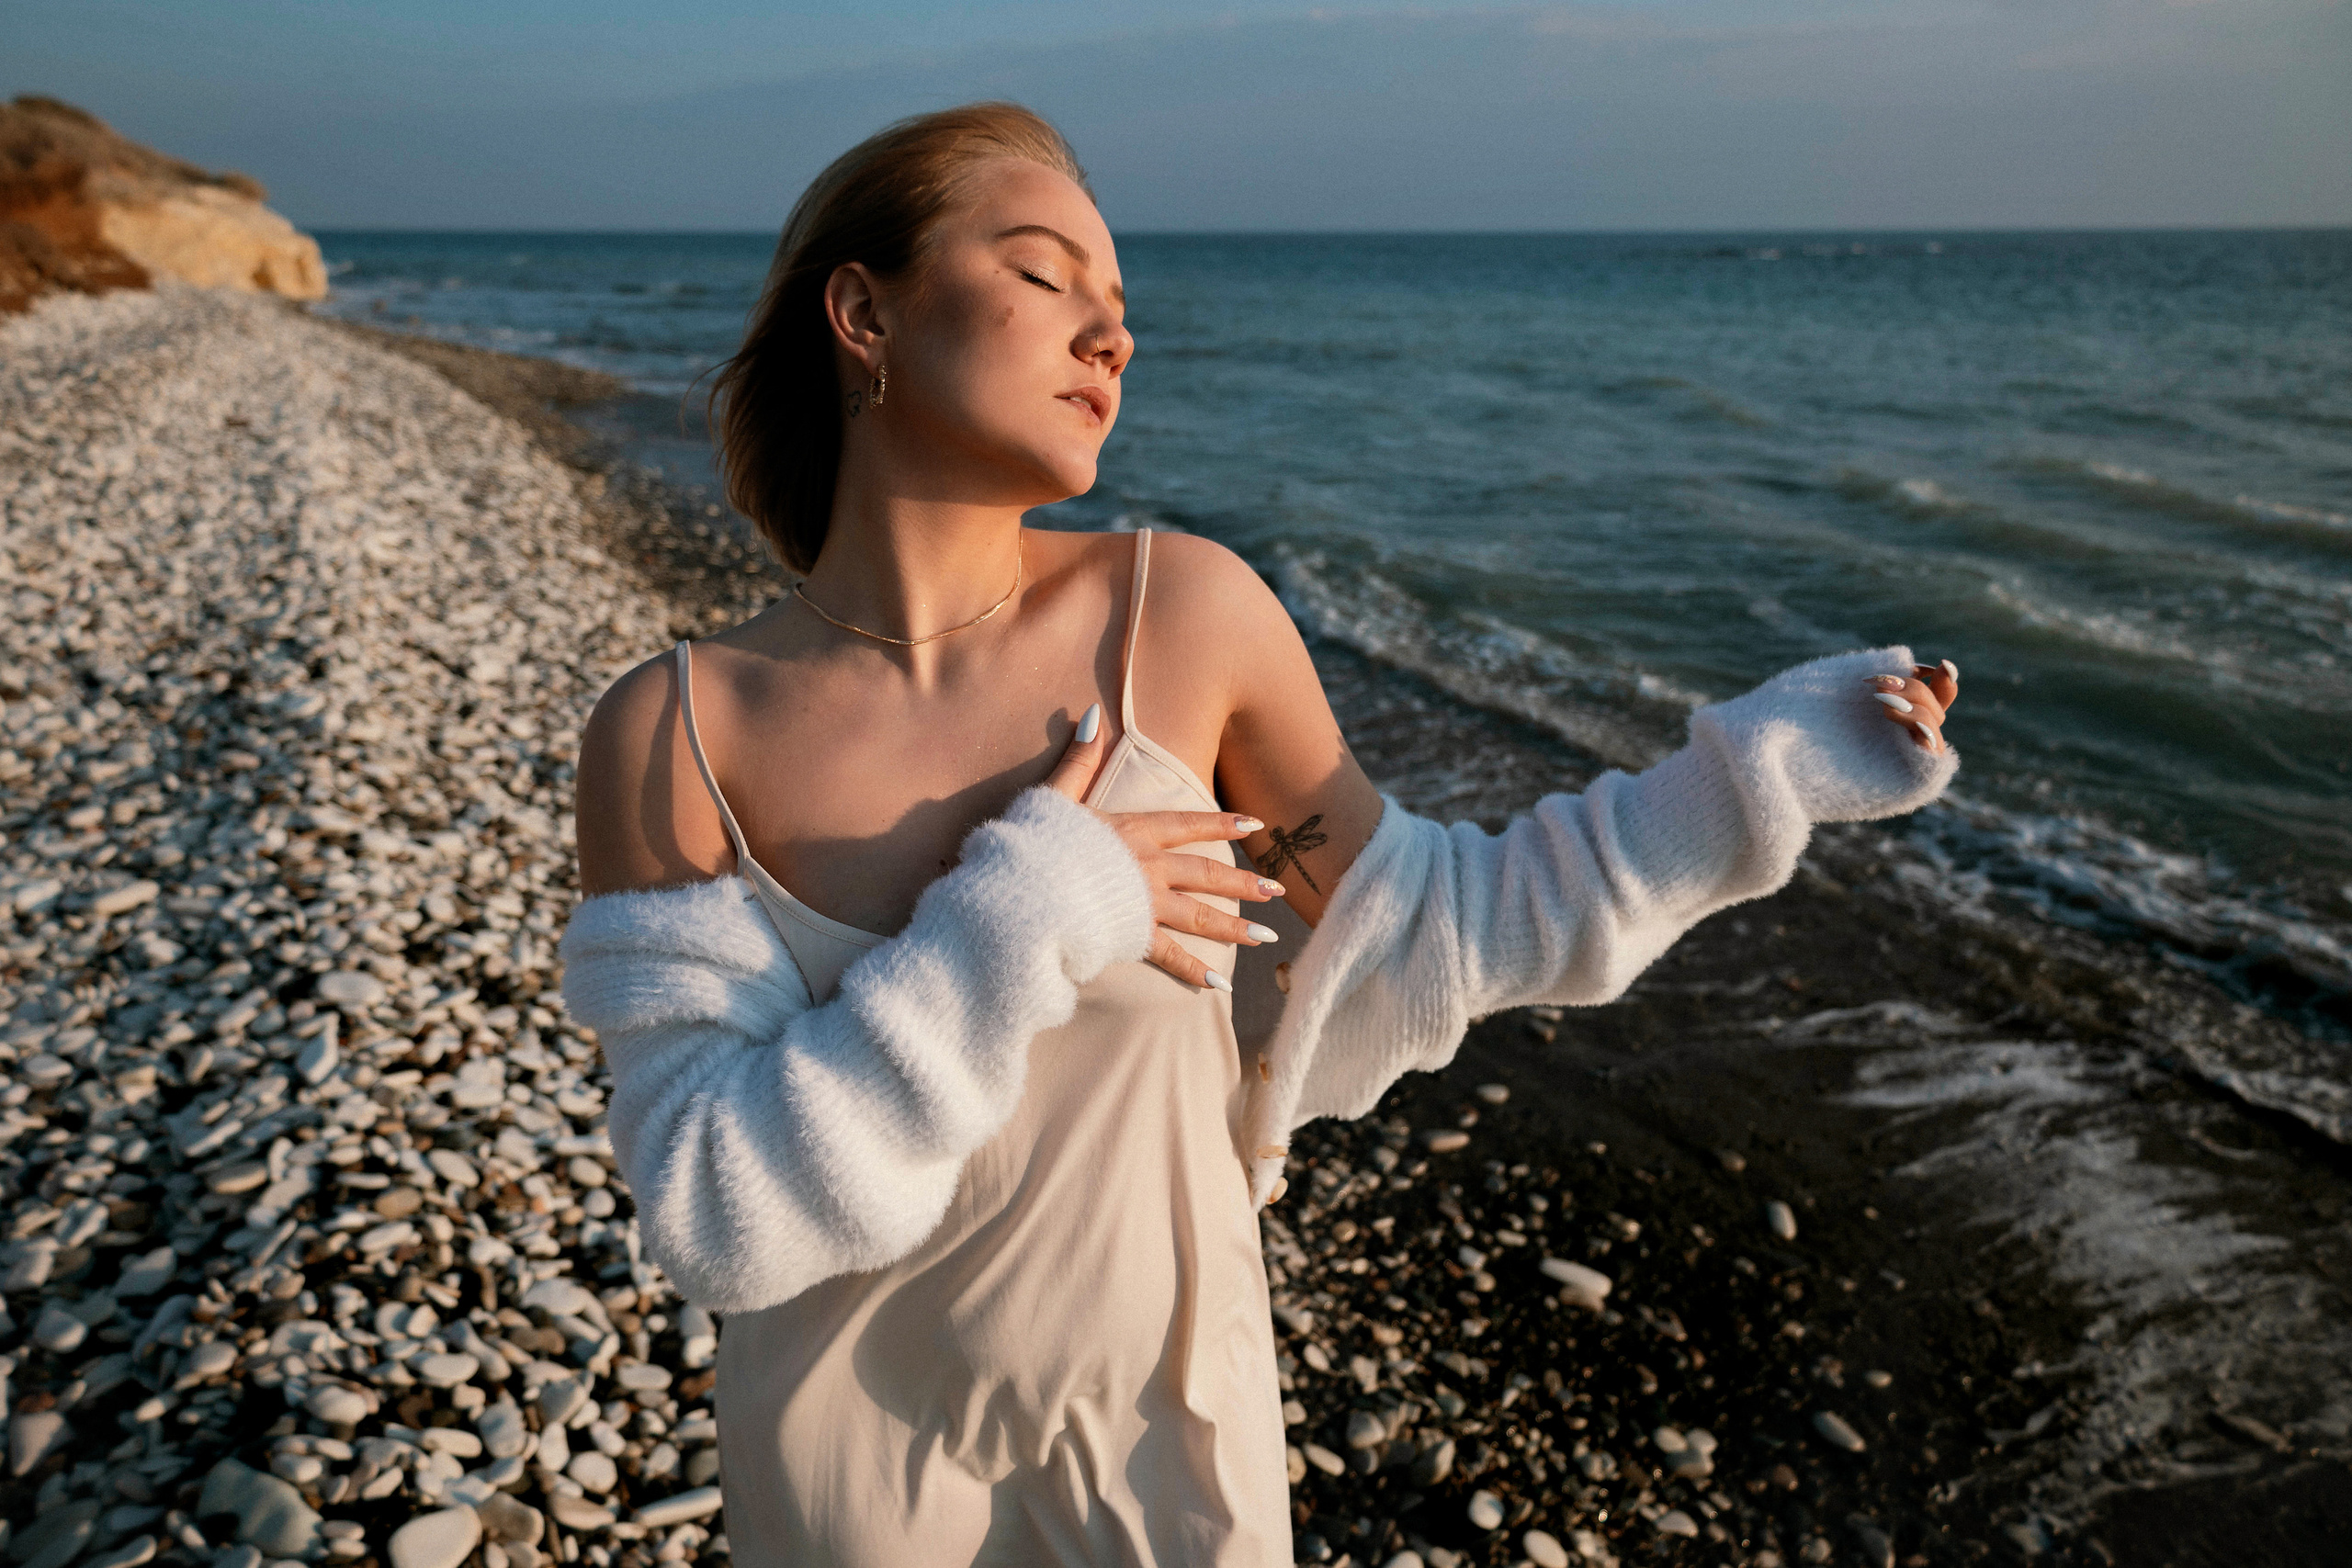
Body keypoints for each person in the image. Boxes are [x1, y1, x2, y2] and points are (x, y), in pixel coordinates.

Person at [559, 102, 1961, 1567]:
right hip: (854, 1489)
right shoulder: (675, 736)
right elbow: (722, 1215)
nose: (1111, 338)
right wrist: (1038, 907)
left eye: (1121, 309)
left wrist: (1768, 767)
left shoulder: (1183, 616)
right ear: (864, 310)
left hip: (1170, 1469)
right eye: (1046, 278)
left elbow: (1447, 926)